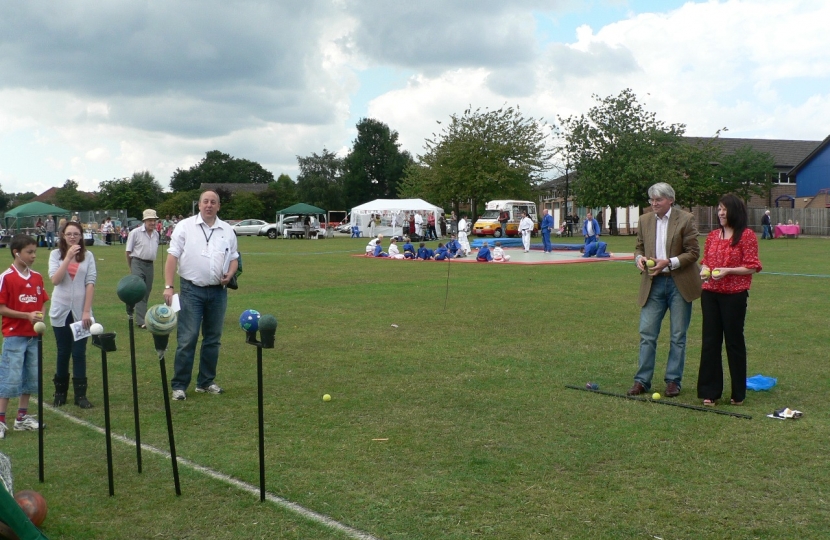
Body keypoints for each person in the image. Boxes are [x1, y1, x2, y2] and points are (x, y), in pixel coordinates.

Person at [628, 183, 701, 398]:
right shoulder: (644, 220)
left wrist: (669, 262)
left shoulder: (685, 219)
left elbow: (693, 252)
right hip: (653, 283)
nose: (653, 203)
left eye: (658, 200)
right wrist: (638, 259)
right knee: (647, 334)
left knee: (678, 336)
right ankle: (642, 381)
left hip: (679, 283)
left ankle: (673, 381)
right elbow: (639, 247)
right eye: (651, 200)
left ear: (670, 200)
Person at [163, 191, 239, 401]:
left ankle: (205, 382)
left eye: (213, 202)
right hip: (191, 290)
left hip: (218, 292)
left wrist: (230, 273)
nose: (209, 205)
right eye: (205, 201)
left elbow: (234, 258)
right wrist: (169, 286)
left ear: (219, 206)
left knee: (213, 339)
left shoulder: (227, 230)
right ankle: (179, 386)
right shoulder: (185, 226)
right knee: (187, 338)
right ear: (199, 205)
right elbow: (172, 256)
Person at [697, 194, 762, 407]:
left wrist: (727, 271)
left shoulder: (747, 236)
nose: (721, 213)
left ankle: (738, 393)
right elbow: (706, 262)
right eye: (719, 209)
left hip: (734, 295)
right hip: (710, 294)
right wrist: (705, 271)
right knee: (710, 342)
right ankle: (710, 392)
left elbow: (752, 266)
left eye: (724, 209)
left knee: (734, 342)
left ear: (735, 211)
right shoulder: (713, 236)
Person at [0, 235, 49, 438]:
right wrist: (25, 316)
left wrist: (40, 316)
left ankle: (22, 418)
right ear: (16, 253)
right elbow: (2, 308)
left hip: (33, 337)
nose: (33, 256)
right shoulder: (6, 277)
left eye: (34, 252)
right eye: (29, 252)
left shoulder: (37, 277)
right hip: (14, 336)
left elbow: (43, 301)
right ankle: (1, 420)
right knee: (10, 378)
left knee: (31, 377)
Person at [49, 221, 96, 408]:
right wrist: (67, 258)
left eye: (76, 234)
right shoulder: (55, 255)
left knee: (79, 353)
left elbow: (90, 282)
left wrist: (86, 311)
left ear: (81, 236)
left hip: (81, 312)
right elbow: (55, 280)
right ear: (63, 235)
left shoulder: (88, 256)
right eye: (69, 234)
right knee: (63, 352)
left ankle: (80, 395)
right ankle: (60, 393)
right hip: (60, 311)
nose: (72, 237)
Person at [125, 209, 160, 329]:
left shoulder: (156, 234)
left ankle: (130, 305)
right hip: (137, 262)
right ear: (144, 221)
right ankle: (141, 321)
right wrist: (132, 267)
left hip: (150, 265)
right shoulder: (135, 233)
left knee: (147, 290)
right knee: (140, 290)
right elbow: (128, 251)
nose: (152, 223)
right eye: (150, 220)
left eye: (154, 220)